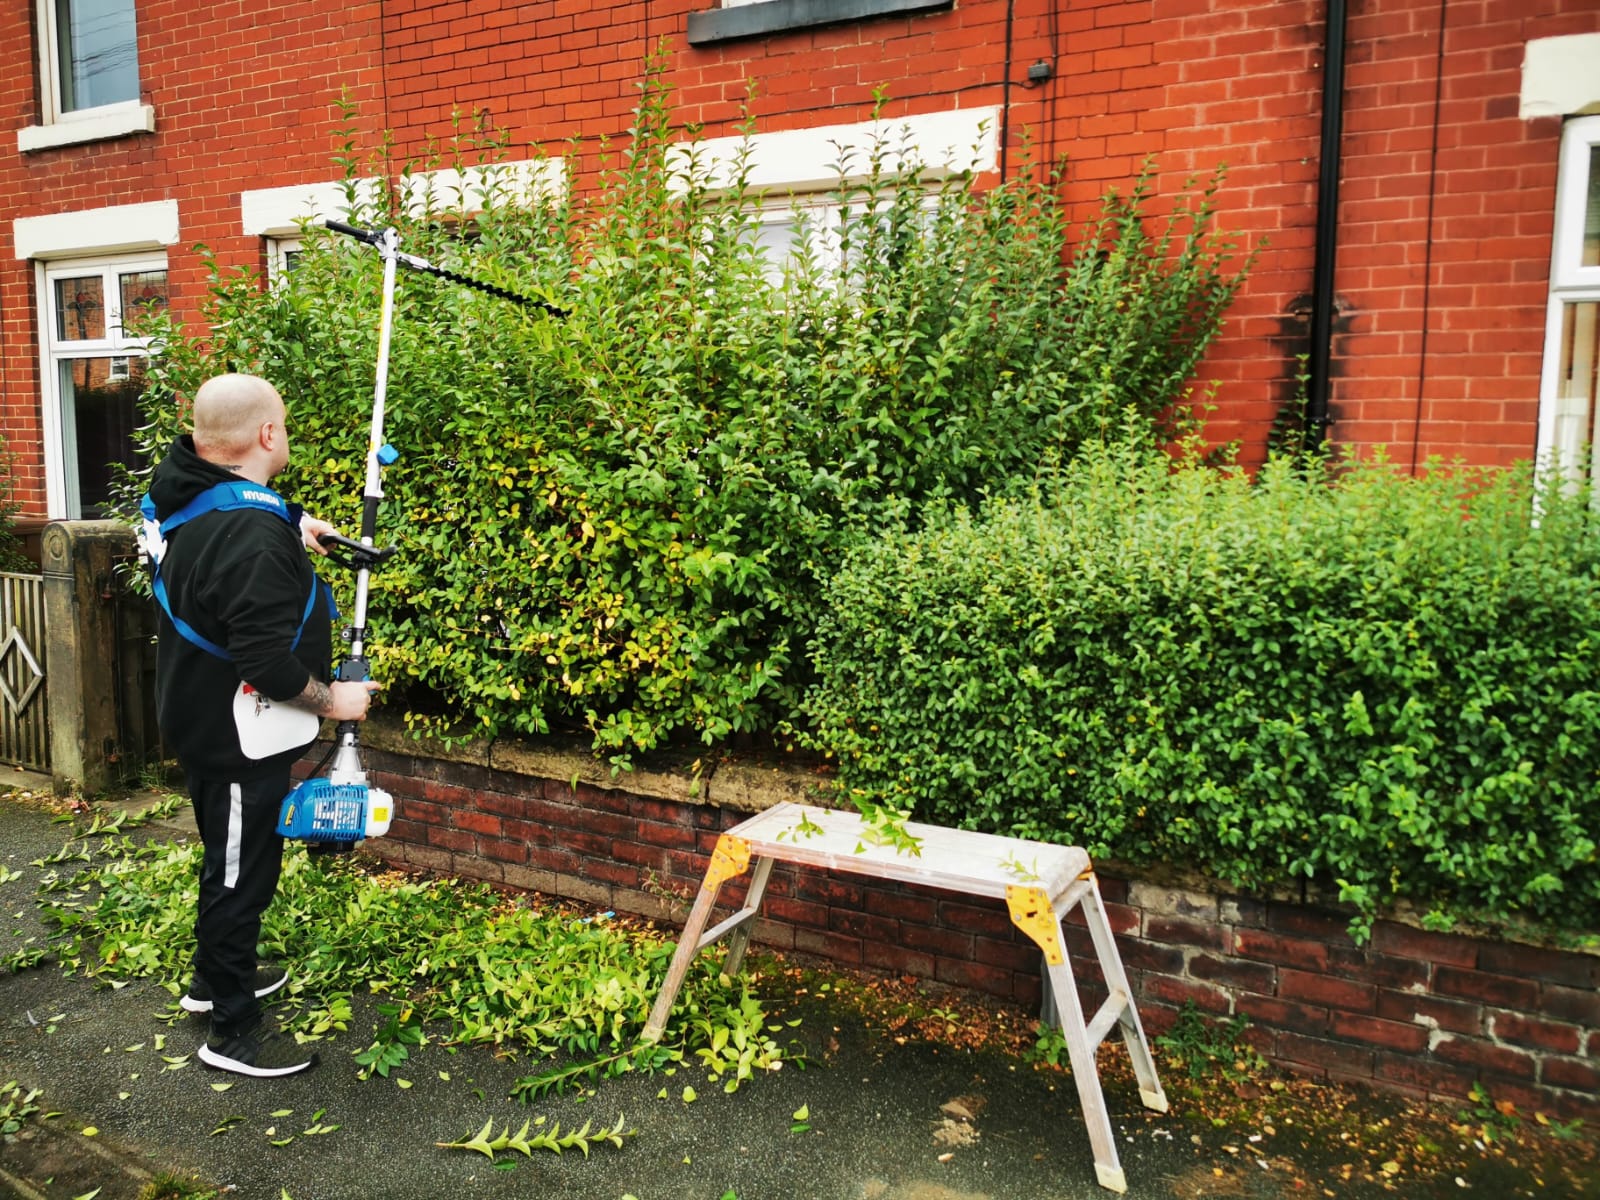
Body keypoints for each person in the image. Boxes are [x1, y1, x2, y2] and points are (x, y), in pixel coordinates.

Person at [144, 373, 379, 1078]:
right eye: (283, 424)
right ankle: (233, 1030)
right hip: (238, 733)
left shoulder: (184, 489)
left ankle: (212, 979)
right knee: (242, 877)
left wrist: (296, 520)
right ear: (267, 436)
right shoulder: (249, 536)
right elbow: (263, 660)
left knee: (228, 858)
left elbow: (228, 510)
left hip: (197, 711)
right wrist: (336, 701)